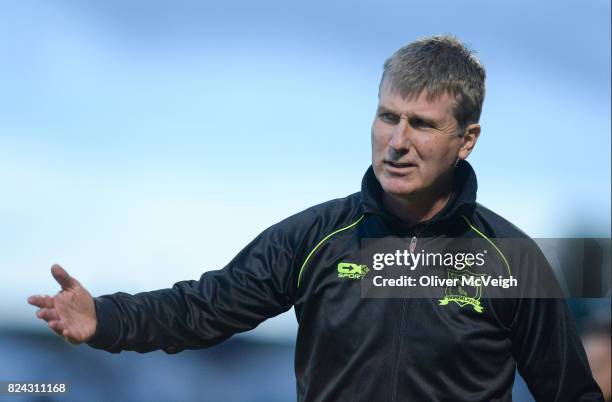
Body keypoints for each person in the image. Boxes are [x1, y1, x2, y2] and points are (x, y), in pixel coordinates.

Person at [28, 35, 604, 401]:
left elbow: (569, 393)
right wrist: (104, 318)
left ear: (467, 139)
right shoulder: (316, 237)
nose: (396, 142)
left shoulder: (510, 259)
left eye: (421, 124)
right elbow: (203, 308)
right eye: (387, 116)